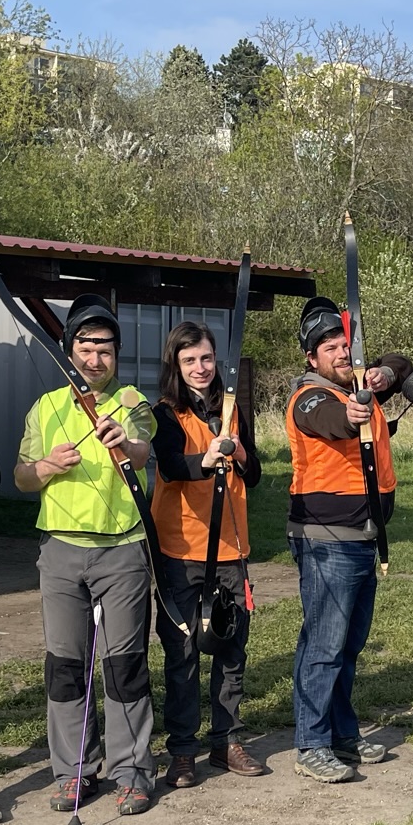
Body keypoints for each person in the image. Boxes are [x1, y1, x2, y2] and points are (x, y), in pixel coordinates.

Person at [16, 296, 161, 817]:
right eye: (85, 345)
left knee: (124, 665)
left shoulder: (132, 401)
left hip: (121, 549)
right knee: (65, 666)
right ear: (69, 349)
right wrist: (48, 466)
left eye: (104, 347)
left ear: (116, 354)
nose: (94, 357)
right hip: (60, 551)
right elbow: (22, 476)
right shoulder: (45, 407)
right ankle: (74, 773)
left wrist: (126, 440)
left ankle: (133, 772)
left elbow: (145, 445)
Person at [285, 296, 411, 783]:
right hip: (326, 539)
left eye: (346, 345)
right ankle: (311, 743)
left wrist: (379, 374)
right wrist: (355, 410)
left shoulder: (361, 384)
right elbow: (329, 420)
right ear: (311, 359)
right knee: (324, 643)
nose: (340, 353)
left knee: (348, 644)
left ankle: (341, 733)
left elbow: (403, 366)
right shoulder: (310, 397)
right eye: (329, 348)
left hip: (362, 535)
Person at [151, 319, 264, 785]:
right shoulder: (164, 412)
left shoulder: (233, 407)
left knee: (230, 649)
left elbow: (254, 473)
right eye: (190, 360)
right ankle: (182, 749)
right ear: (176, 365)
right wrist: (206, 459)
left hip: (230, 548)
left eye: (207, 358)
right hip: (181, 549)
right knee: (182, 654)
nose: (200, 367)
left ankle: (227, 741)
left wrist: (235, 453)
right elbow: (173, 466)